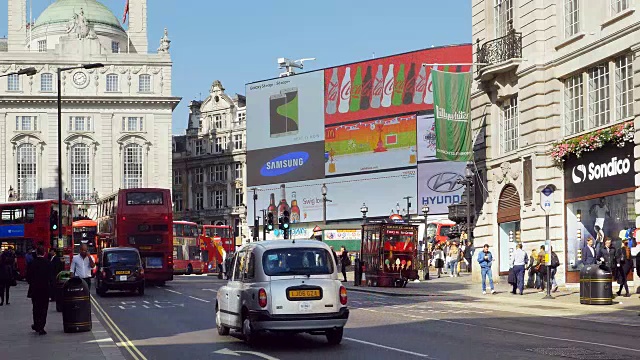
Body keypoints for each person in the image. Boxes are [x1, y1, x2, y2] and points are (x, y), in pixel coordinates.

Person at [26, 245, 50, 335]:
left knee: (36, 308)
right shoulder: (48, 263)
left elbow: (27, 277)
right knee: (44, 308)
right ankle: (41, 327)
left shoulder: (32, 263)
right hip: (45, 289)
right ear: (44, 253)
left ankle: (36, 324)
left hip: (35, 289)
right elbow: (51, 278)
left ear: (36, 253)